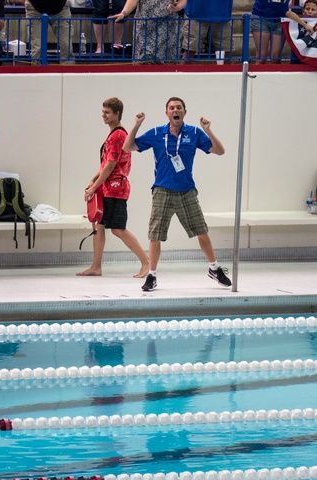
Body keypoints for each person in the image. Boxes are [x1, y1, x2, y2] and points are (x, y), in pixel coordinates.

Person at [123, 96, 230, 293]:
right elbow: (128, 147)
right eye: (172, 108)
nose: (175, 111)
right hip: (162, 190)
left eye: (179, 108)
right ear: (167, 113)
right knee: (155, 235)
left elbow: (220, 151)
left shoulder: (194, 133)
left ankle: (214, 268)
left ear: (184, 112)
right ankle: (152, 275)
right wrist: (136, 125)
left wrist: (208, 130)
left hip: (187, 191)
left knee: (202, 231)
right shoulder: (156, 133)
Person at [78, 97, 150, 279]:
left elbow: (111, 166)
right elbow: (105, 164)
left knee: (118, 228)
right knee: (99, 226)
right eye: (102, 111)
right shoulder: (113, 134)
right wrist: (94, 180)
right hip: (108, 185)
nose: (103, 115)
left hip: (116, 187)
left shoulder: (118, 135)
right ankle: (96, 266)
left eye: (107, 112)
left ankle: (146, 262)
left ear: (117, 114)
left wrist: (94, 187)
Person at [112, 0, 184, 63]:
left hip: (169, 26)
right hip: (145, 26)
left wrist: (178, 7)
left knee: (168, 62)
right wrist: (123, 13)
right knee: (145, 60)